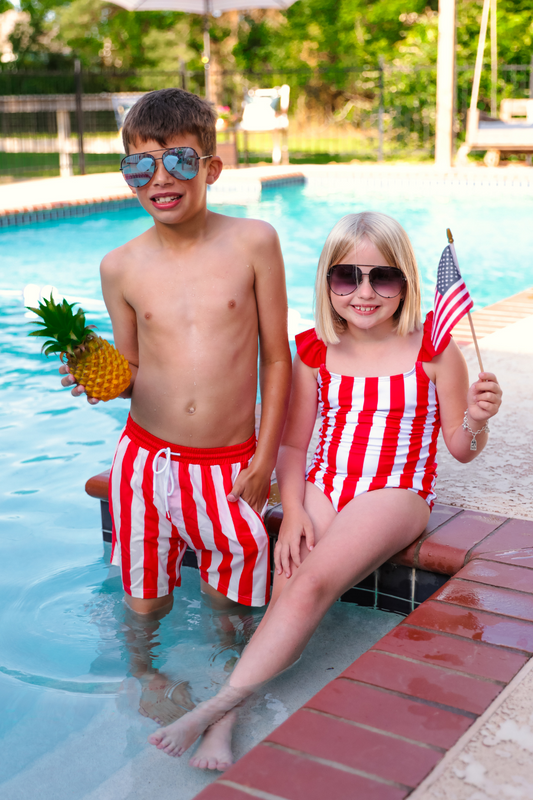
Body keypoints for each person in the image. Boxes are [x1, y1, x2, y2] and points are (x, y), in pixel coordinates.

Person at [146, 210, 502, 770]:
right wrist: (292, 512)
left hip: (394, 490)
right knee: (286, 588)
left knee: (310, 583)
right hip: (325, 485)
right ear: (327, 282)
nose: (364, 292)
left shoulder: (433, 352)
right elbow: (292, 446)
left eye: (381, 277)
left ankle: (215, 707)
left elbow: (459, 445)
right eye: (347, 277)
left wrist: (477, 421)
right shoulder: (313, 349)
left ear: (405, 281)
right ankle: (227, 721)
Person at [59, 88, 291, 745]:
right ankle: (146, 677)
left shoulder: (253, 242)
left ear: (211, 168)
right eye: (140, 167)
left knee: (230, 590)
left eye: (178, 162)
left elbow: (277, 359)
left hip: (228, 464)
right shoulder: (121, 266)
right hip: (144, 464)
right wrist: (98, 380)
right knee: (145, 594)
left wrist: (265, 456)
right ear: (127, 176)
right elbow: (131, 373)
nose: (159, 179)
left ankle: (226, 684)